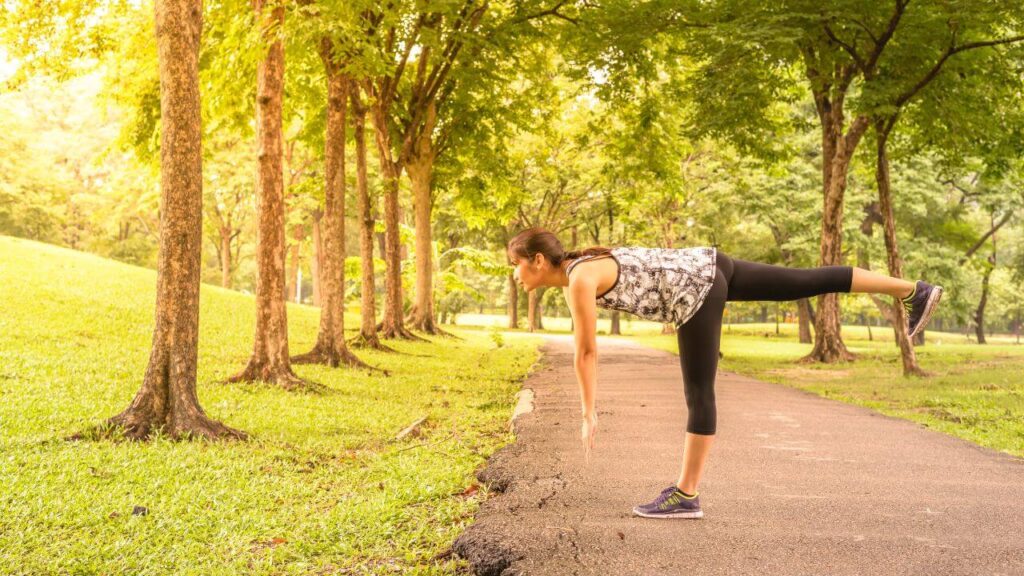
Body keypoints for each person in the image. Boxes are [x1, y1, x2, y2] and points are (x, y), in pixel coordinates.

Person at [506, 227, 943, 520]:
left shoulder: (580, 278)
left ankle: (686, 495)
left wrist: (587, 412)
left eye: (516, 263)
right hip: (713, 265)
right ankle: (912, 289)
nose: (514, 273)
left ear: (539, 260)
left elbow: (585, 352)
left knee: (699, 391)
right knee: (804, 279)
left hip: (695, 291)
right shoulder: (584, 263)